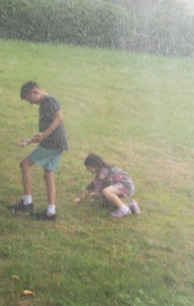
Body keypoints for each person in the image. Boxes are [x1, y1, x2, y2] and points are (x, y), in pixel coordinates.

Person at [9, 81, 68, 221]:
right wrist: (29, 141)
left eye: (30, 100)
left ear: (36, 92)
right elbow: (43, 134)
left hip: (52, 144)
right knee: (48, 174)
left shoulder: (48, 100)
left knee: (24, 164)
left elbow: (60, 117)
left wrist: (44, 134)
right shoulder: (45, 103)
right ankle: (50, 213)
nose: (31, 103)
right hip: (57, 143)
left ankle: (27, 203)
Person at [76, 153, 141, 218]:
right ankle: (131, 205)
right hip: (122, 185)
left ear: (94, 166)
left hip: (125, 185)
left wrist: (81, 198)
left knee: (107, 192)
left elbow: (92, 186)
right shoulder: (103, 169)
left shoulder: (102, 174)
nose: (87, 170)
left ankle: (124, 210)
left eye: (88, 168)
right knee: (108, 199)